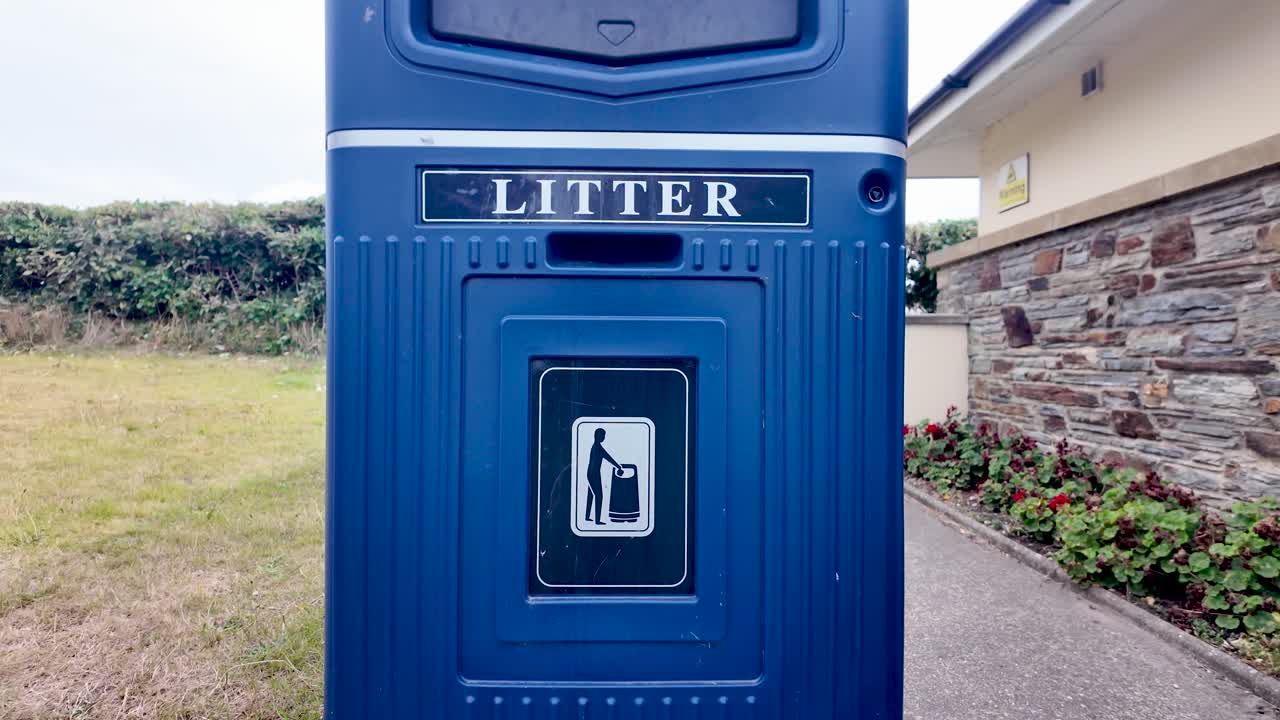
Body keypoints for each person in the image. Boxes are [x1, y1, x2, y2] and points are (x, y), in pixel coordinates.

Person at [585, 427, 619, 526]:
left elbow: (606, 456)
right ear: (597, 436)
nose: (604, 437)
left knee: (591, 495)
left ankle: (587, 517)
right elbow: (608, 457)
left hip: (591, 473)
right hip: (594, 474)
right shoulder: (597, 448)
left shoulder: (596, 446)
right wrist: (618, 467)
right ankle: (597, 520)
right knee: (599, 496)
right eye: (603, 435)